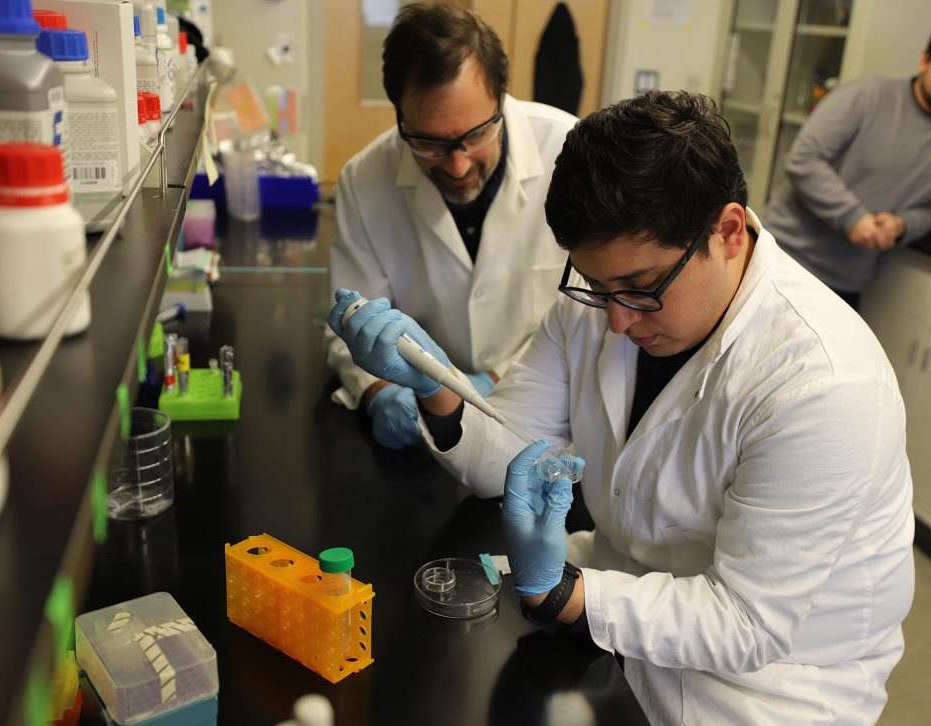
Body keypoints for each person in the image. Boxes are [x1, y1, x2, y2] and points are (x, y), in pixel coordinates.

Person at [328, 90, 915, 724]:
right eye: (596, 286)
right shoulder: (603, 304)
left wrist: (563, 592)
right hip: (618, 624)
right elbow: (504, 453)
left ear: (726, 232)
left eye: (641, 287)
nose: (615, 321)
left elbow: (746, 623)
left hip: (760, 694)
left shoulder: (822, 383)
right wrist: (430, 379)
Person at [325, 1, 576, 449]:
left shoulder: (570, 152)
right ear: (399, 112)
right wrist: (380, 392)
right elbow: (352, 327)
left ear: (501, 94)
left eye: (476, 135)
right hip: (423, 421)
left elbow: (592, 311)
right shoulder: (364, 181)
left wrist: (493, 380)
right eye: (429, 143)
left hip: (546, 413)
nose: (458, 166)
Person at [763, 34, 931, 310]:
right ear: (924, 61)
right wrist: (852, 217)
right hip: (783, 259)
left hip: (845, 285)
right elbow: (805, 159)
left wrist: (903, 225)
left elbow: (928, 210)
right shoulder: (867, 95)